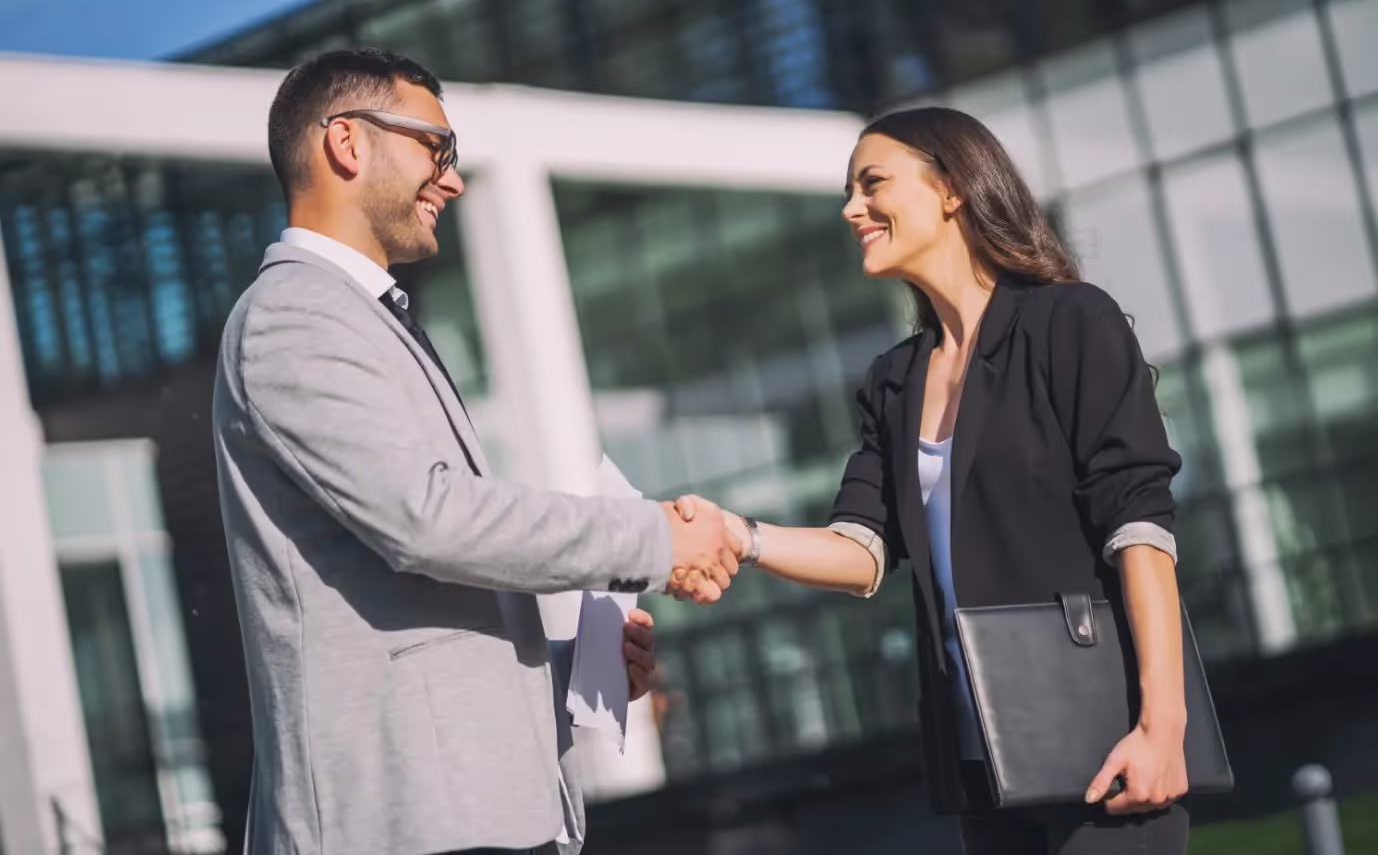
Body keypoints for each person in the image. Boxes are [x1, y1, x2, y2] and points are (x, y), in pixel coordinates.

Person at [212, 48, 740, 855]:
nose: (453, 180)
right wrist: (654, 537)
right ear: (347, 142)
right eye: (437, 148)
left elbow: (417, 617)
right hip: (402, 826)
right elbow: (430, 521)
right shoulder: (292, 318)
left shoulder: (356, 315)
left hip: (456, 814)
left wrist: (571, 673)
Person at [676, 107, 1191, 854]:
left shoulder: (1069, 321)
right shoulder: (895, 380)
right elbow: (862, 551)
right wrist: (740, 535)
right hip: (982, 755)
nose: (852, 209)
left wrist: (1162, 724)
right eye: (849, 192)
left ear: (951, 189)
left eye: (872, 184)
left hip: (1104, 740)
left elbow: (1138, 523)